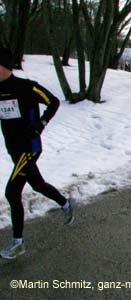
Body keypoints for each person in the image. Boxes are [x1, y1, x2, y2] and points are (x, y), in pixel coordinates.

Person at [0, 47, 73, 260]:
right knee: (38, 185)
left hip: (30, 148)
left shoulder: (26, 87)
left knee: (12, 193)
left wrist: (40, 124)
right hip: (13, 149)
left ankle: (18, 243)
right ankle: (65, 204)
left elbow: (53, 102)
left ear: (4, 66)